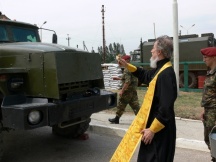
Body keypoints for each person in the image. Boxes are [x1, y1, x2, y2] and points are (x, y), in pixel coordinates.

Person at [113, 35, 177, 162]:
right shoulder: (160, 69)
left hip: (159, 131)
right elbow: (145, 75)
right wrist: (127, 65)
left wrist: (153, 130)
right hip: (153, 129)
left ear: (159, 52)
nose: (151, 51)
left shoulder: (166, 74)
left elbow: (166, 107)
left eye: (153, 48)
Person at [108, 55, 140, 124]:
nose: (120, 62)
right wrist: (119, 78)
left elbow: (127, 82)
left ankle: (116, 119)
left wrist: (122, 91)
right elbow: (130, 79)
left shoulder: (127, 69)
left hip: (127, 91)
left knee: (121, 104)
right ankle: (141, 120)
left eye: (122, 61)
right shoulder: (132, 68)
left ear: (126, 61)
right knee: (136, 106)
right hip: (133, 91)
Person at [200, 47, 216, 162]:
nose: (203, 59)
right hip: (209, 112)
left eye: (206, 57)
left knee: (214, 140)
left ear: (214, 57)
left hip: (214, 113)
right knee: (209, 139)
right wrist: (204, 110)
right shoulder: (211, 73)